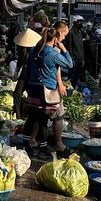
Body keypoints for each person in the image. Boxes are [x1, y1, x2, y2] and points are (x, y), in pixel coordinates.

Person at [27, 24, 73, 155]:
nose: (64, 38)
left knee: (33, 118)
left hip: (34, 87)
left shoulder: (35, 49)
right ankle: (49, 146)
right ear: (56, 36)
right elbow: (67, 65)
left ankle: (30, 143)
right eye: (64, 35)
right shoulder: (53, 52)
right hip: (48, 89)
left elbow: (29, 68)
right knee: (46, 119)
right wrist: (64, 49)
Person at [12, 27, 42, 126]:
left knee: (32, 97)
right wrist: (16, 72)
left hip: (32, 75)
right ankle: (18, 115)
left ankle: (31, 117)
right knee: (17, 93)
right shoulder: (22, 49)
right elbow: (20, 61)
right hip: (23, 74)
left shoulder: (36, 49)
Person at [65, 16, 86, 85]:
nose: (81, 24)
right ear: (75, 23)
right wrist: (71, 58)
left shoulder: (79, 32)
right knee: (72, 77)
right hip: (74, 59)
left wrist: (82, 59)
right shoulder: (71, 32)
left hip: (80, 58)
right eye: (80, 22)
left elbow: (81, 47)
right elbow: (69, 47)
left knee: (76, 77)